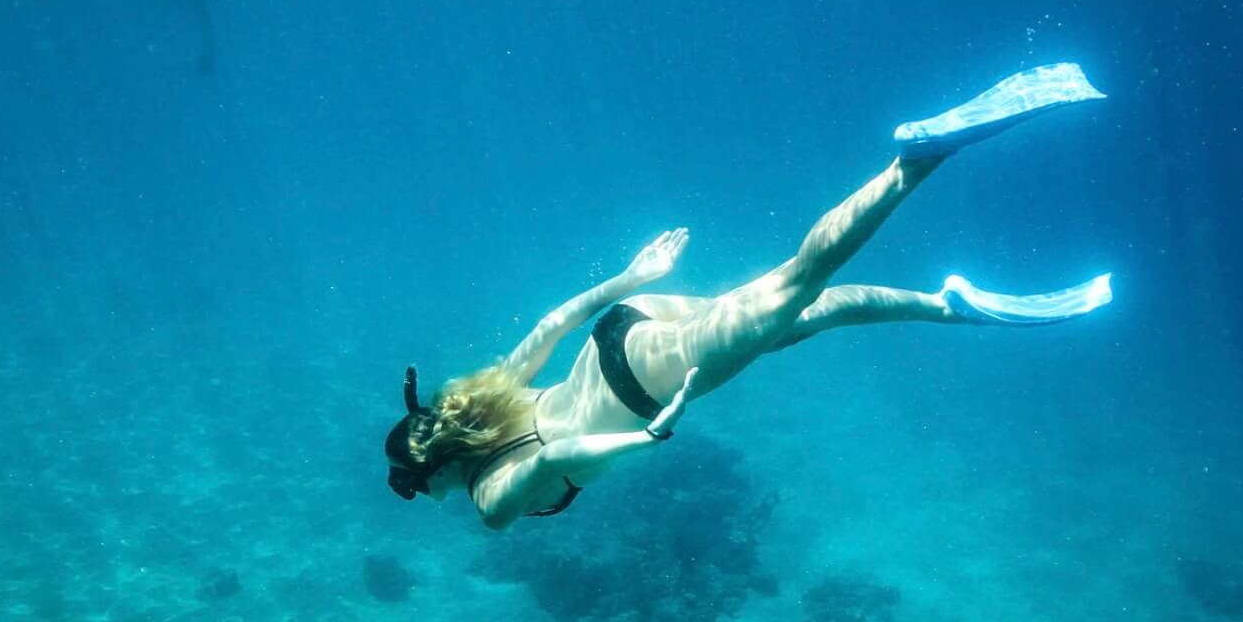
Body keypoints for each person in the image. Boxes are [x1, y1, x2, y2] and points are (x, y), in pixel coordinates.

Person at [385, 64, 1113, 529]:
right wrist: (635, 279)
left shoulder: (487, 502)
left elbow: (551, 461)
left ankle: (913, 163)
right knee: (807, 315)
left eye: (424, 489)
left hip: (654, 380)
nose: (435, 498)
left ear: (437, 469)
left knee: (799, 282)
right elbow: (555, 321)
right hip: (629, 331)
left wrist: (642, 437)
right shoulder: (487, 396)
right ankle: (949, 304)